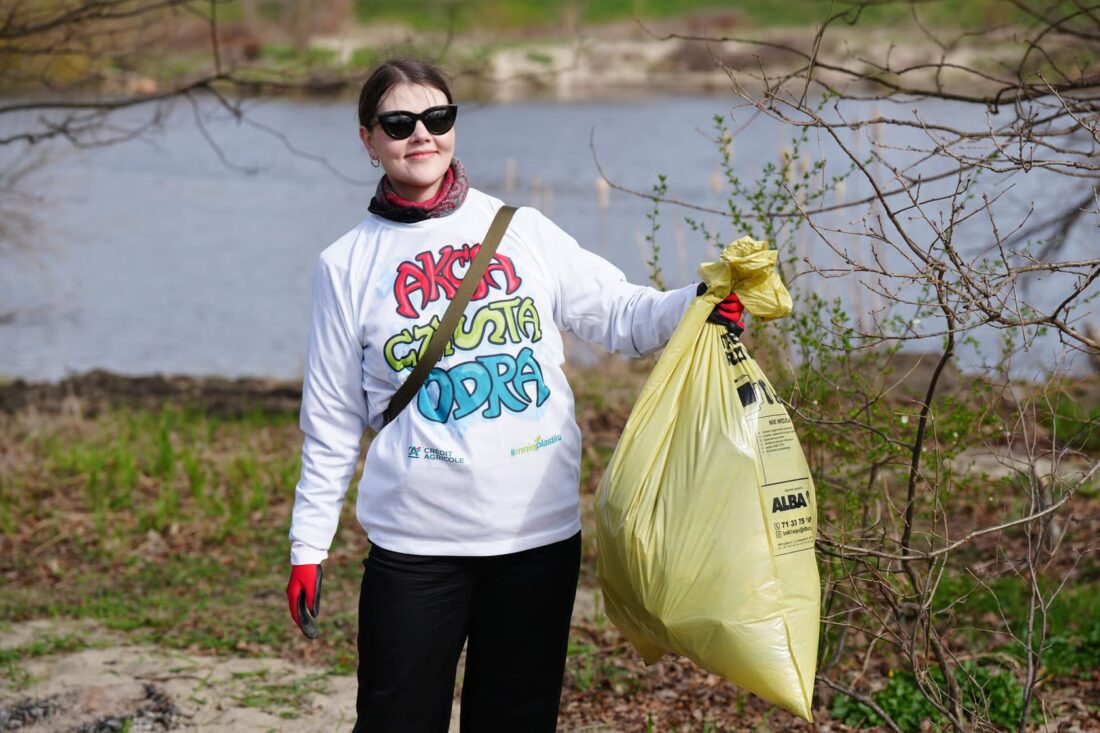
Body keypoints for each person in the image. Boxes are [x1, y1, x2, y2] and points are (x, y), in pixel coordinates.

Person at [285, 57, 745, 733]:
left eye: (438, 117)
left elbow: (621, 313)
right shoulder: (346, 263)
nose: (422, 134)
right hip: (416, 546)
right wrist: (308, 545)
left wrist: (701, 302)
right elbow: (331, 420)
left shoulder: (521, 230)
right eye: (399, 122)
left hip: (536, 537)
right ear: (368, 139)